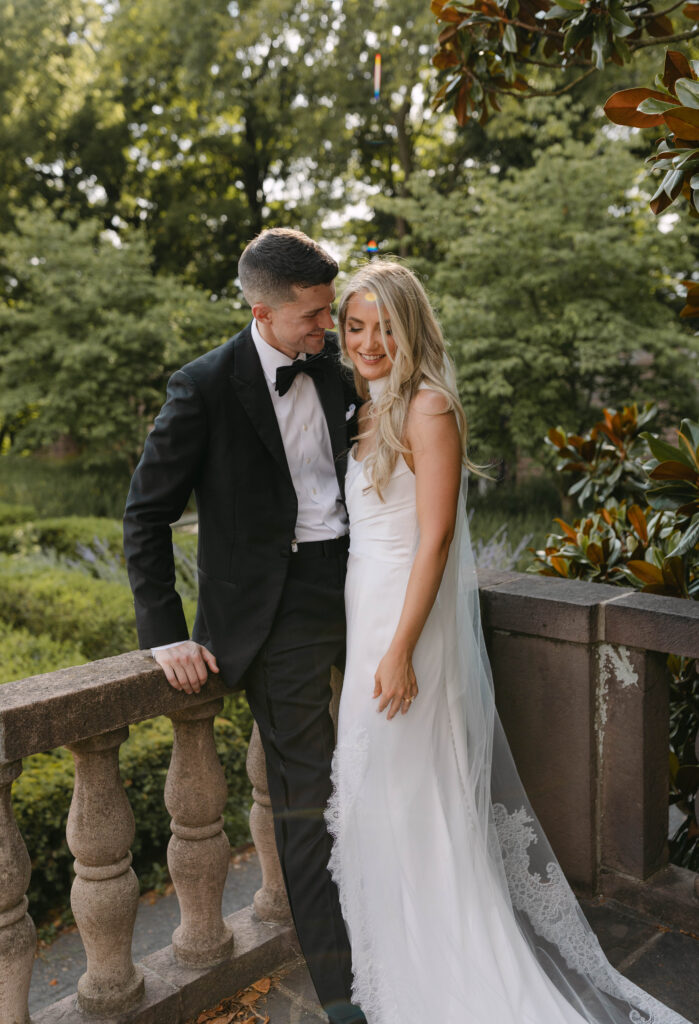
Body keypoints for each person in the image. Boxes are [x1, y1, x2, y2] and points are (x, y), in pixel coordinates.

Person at [325, 259, 690, 1024]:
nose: (367, 341)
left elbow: (432, 544)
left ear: (412, 328)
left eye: (383, 326)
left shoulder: (427, 408)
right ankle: (397, 944)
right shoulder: (363, 413)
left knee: (417, 788)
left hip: (406, 627)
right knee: (385, 795)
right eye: (354, 326)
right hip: (367, 616)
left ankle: (446, 954)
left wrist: (398, 651)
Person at [123, 228, 366, 1024]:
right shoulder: (202, 386)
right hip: (278, 608)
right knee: (310, 798)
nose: (325, 331)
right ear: (262, 312)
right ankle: (346, 995)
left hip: (365, 583)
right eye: (312, 318)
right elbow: (146, 515)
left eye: (328, 314)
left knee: (395, 766)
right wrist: (165, 632)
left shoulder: (339, 372)